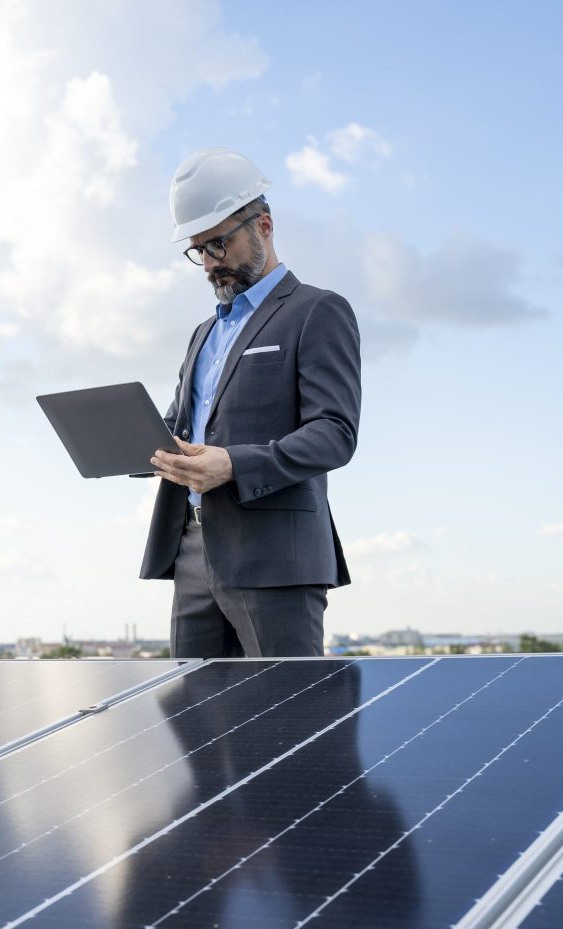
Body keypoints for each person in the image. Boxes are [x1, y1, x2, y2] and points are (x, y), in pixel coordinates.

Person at [141, 147, 361, 659]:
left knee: (289, 725)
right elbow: (183, 427)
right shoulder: (203, 333)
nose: (211, 262)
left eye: (221, 243)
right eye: (200, 250)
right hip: (192, 552)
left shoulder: (317, 311)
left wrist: (234, 464)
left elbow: (334, 431)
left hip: (275, 558)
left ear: (263, 224)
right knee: (197, 725)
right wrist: (136, 442)